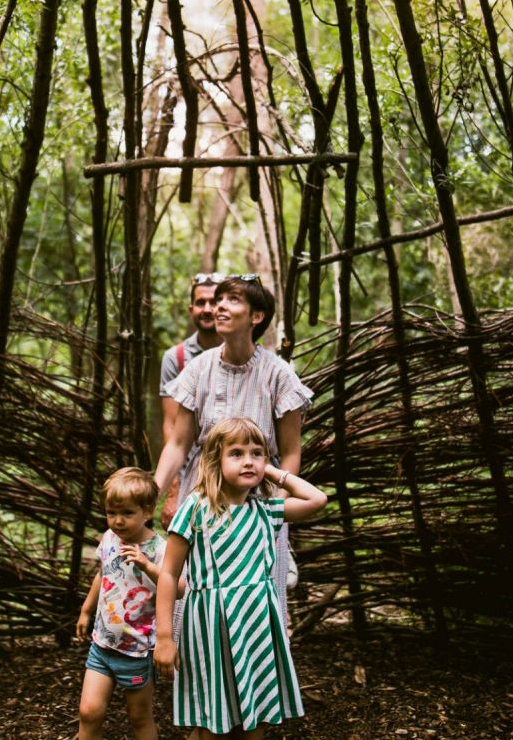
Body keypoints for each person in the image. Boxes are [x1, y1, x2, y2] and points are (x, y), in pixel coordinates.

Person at [154, 417, 327, 737]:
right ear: (214, 461)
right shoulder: (196, 508)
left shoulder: (266, 510)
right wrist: (164, 637)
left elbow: (317, 500)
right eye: (236, 453)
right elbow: (168, 574)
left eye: (256, 453)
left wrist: (271, 471)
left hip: (257, 626)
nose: (248, 461)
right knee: (212, 724)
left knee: (257, 716)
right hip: (210, 628)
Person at [154, 275, 312, 612]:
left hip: (259, 501)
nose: (219, 307)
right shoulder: (197, 369)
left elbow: (290, 453)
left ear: (256, 316)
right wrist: (151, 494)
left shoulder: (279, 375)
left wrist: (274, 512)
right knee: (196, 594)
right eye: (219, 300)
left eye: (232, 300)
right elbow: (178, 445)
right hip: (202, 497)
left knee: (255, 601)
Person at [75, 468, 166, 740]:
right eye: (111, 513)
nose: (117, 520)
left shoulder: (159, 549)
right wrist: (86, 610)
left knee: (139, 716)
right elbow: (103, 574)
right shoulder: (109, 538)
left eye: (127, 513)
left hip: (136, 651)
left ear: (147, 511)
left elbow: (178, 587)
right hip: (102, 645)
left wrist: (147, 566)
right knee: (89, 712)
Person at [158, 273, 225, 527]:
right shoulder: (175, 358)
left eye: (214, 302)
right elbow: (171, 426)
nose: (207, 309)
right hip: (191, 477)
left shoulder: (244, 353)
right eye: (200, 303)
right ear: (190, 310)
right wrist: (173, 492)